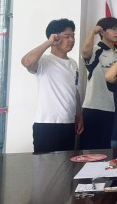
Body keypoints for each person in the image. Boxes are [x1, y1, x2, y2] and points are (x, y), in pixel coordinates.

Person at [20, 18, 83, 153]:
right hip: (47, 124)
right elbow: (26, 61)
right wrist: (48, 43)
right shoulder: (44, 61)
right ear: (55, 37)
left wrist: (79, 116)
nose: (72, 40)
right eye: (67, 36)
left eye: (73, 36)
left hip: (69, 123)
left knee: (67, 163)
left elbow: (75, 91)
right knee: (45, 164)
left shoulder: (73, 63)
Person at [80, 17, 117, 150]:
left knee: (110, 150)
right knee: (92, 151)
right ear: (102, 32)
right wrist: (92, 31)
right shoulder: (96, 50)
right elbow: (85, 52)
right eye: (113, 29)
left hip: (114, 108)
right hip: (95, 107)